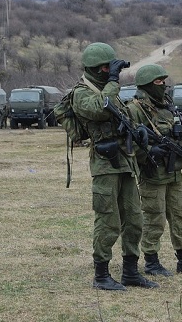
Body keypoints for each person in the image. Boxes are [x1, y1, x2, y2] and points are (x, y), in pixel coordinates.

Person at [71, 42, 158, 291]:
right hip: (105, 164)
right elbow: (100, 109)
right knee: (108, 219)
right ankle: (101, 275)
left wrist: (139, 131)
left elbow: (122, 116)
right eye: (105, 68)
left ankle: (131, 272)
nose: (110, 71)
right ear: (94, 68)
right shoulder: (81, 93)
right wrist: (112, 80)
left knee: (134, 218)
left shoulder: (109, 91)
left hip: (125, 161)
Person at [126, 64, 182, 277]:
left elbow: (178, 134)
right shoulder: (135, 109)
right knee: (154, 218)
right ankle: (151, 261)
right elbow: (128, 142)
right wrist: (149, 151)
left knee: (181, 215)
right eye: (158, 82)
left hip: (174, 173)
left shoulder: (167, 106)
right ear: (147, 84)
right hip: (153, 174)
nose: (163, 85)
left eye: (163, 81)